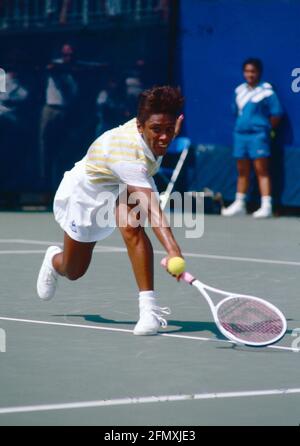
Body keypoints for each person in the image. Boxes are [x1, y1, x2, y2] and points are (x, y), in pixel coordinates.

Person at [37, 86, 185, 336]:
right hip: (86, 195)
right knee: (74, 270)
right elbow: (152, 208)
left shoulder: (157, 132)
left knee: (132, 229)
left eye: (169, 130)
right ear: (140, 126)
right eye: (156, 130)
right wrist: (173, 250)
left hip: (118, 186)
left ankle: (148, 311)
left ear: (177, 123)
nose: (163, 137)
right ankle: (53, 259)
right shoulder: (126, 154)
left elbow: (159, 139)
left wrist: (166, 131)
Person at [222, 58, 283, 218]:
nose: (250, 74)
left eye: (253, 71)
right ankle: (240, 204)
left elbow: (276, 114)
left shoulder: (267, 91)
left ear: (259, 73)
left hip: (258, 136)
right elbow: (236, 112)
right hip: (240, 135)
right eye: (247, 71)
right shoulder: (239, 90)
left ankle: (266, 205)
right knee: (242, 170)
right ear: (244, 73)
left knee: (261, 169)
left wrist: (265, 128)